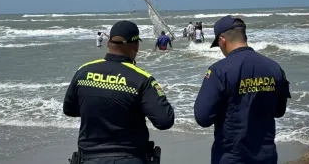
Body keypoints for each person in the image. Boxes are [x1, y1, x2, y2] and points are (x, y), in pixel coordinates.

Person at [63, 20, 175, 164]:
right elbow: (165, 120)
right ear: (135, 45)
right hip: (130, 157)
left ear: (109, 43)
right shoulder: (141, 79)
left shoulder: (84, 71)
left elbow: (69, 109)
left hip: (89, 158)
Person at [193, 15, 291, 164]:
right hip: (267, 157)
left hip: (231, 157)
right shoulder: (274, 68)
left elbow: (203, 117)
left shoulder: (219, 71)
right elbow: (279, 111)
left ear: (222, 41)